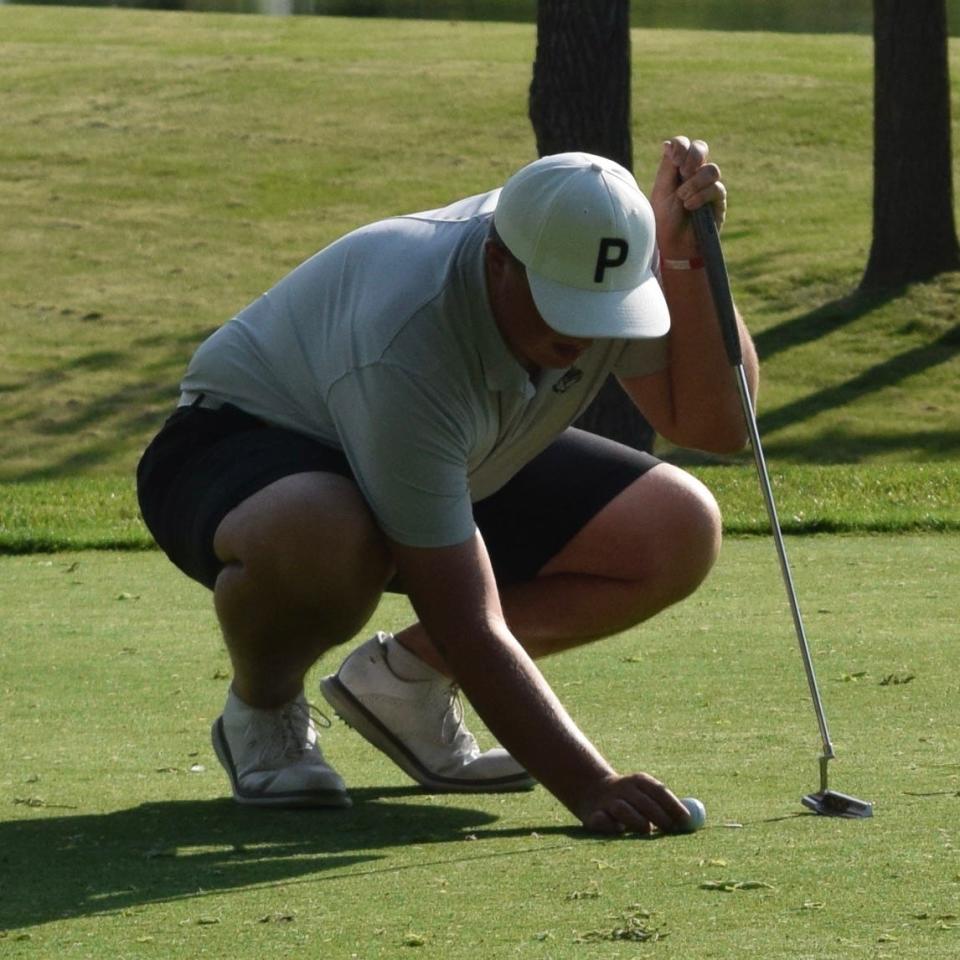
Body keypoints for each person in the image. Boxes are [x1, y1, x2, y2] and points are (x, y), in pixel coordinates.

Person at [137, 137, 758, 835]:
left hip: (464, 449)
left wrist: (689, 259)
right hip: (243, 447)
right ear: (499, 261)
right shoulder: (409, 332)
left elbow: (717, 423)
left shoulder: (605, 265)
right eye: (562, 306)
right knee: (327, 532)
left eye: (602, 311)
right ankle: (264, 710)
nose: (584, 334)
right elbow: (465, 612)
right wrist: (591, 785)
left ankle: (403, 684)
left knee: (676, 526)